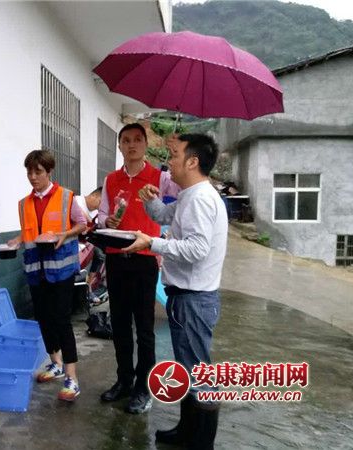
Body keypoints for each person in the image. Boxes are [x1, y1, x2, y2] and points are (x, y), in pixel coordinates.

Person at [124, 133, 227, 449]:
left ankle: (200, 443)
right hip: (187, 298)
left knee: (198, 375)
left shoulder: (200, 199)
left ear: (192, 161)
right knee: (190, 370)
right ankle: (186, 432)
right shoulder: (189, 195)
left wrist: (152, 243)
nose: (168, 162)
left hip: (194, 300)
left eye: (174, 154)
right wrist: (149, 199)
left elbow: (196, 249)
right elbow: (162, 216)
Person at [98, 123, 180, 414]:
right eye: (126, 140)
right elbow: (102, 214)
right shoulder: (111, 179)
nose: (131, 145)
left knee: (144, 328)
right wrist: (106, 221)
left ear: (146, 145)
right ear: (119, 146)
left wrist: (175, 155)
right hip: (115, 257)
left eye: (137, 140)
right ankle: (124, 380)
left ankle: (143, 387)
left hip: (145, 258)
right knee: (120, 324)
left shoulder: (161, 177)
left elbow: (185, 192)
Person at [7, 150, 86, 401]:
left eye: (38, 172)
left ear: (49, 171)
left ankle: (72, 379)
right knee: (43, 318)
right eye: (29, 172)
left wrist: (66, 234)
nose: (33, 177)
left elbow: (82, 224)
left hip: (61, 271)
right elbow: (30, 231)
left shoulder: (67, 197)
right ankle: (56, 362)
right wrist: (17, 240)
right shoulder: (24, 204)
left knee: (61, 320)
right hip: (35, 271)